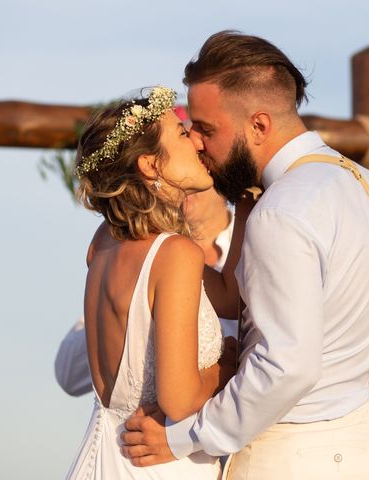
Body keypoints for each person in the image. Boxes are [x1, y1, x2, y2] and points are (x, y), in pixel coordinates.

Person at [122, 31, 369, 479]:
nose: (197, 142)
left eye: (205, 128)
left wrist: (185, 437)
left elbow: (287, 365)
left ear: (258, 125)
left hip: (300, 458)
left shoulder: (282, 209)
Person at [65, 85, 246, 479]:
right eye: (182, 134)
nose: (196, 141)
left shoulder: (103, 244)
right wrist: (226, 364)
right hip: (156, 465)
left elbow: (231, 297)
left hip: (100, 459)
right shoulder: (175, 254)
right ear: (150, 166)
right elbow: (179, 401)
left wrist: (245, 200)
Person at [54, 187, 236, 398]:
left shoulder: (253, 250)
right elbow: (68, 376)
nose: (183, 183)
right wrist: (124, 311)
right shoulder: (124, 250)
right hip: (130, 427)